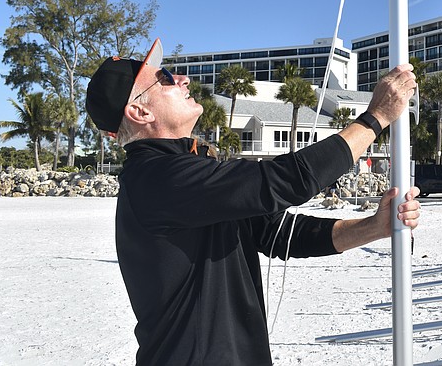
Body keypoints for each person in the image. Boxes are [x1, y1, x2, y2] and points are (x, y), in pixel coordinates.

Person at [85, 38, 420, 366]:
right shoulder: (157, 177)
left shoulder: (185, 172)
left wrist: (374, 227)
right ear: (139, 111)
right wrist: (376, 118)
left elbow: (281, 233)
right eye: (165, 79)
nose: (182, 78)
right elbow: (286, 180)